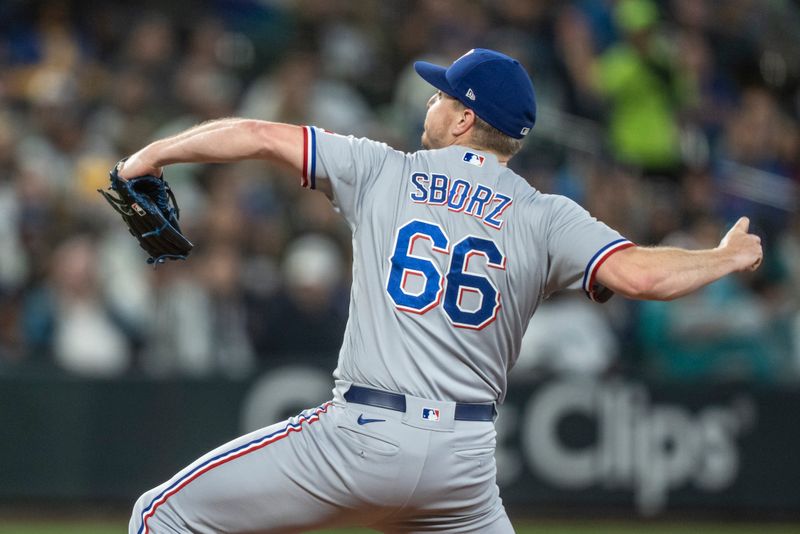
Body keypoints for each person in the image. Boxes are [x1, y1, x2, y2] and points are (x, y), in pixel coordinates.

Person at [121, 48, 762, 534]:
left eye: (441, 96)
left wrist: (150, 156)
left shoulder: (381, 169)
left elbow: (259, 135)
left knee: (159, 517)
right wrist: (723, 257)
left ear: (463, 118)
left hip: (362, 436)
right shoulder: (547, 215)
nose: (430, 101)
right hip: (465, 468)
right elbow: (644, 277)